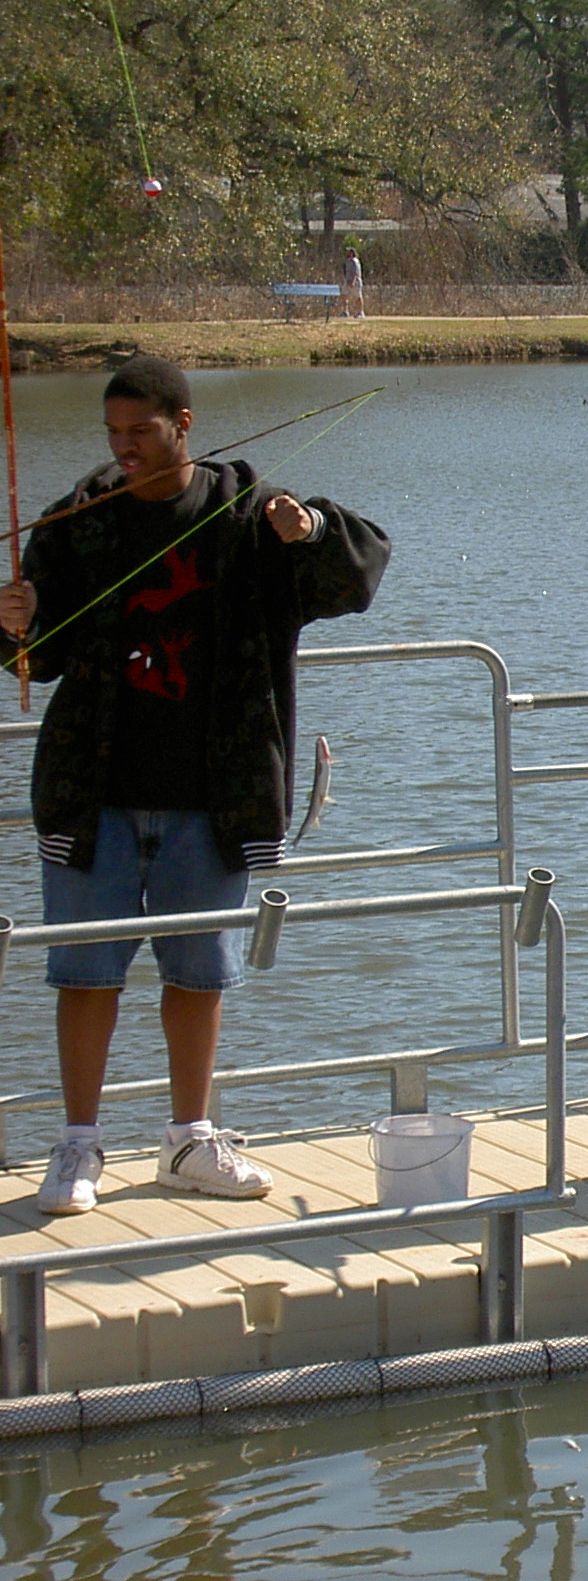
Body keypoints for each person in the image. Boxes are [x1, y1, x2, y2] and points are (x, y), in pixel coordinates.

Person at [0, 354, 391, 1216]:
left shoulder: (251, 516)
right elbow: (41, 656)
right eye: (114, 434)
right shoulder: (79, 520)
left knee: (200, 975)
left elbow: (356, 574)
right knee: (85, 974)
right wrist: (14, 623)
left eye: (142, 431)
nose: (126, 449)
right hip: (91, 793)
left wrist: (312, 533)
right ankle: (76, 1146)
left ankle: (188, 1140)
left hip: (214, 798)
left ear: (183, 425)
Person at [341, 245, 365, 320]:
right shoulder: (347, 261)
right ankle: (345, 311)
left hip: (355, 281)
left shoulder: (355, 261)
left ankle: (360, 312)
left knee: (358, 296)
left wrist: (353, 282)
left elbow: (356, 273)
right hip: (347, 280)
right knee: (344, 294)